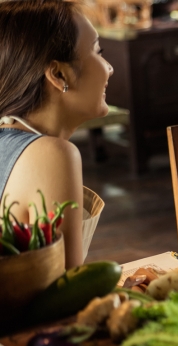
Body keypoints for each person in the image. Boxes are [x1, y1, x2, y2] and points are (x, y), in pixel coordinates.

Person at [0, 0, 114, 268]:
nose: (108, 67)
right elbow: (64, 291)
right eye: (98, 51)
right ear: (58, 74)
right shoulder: (51, 154)